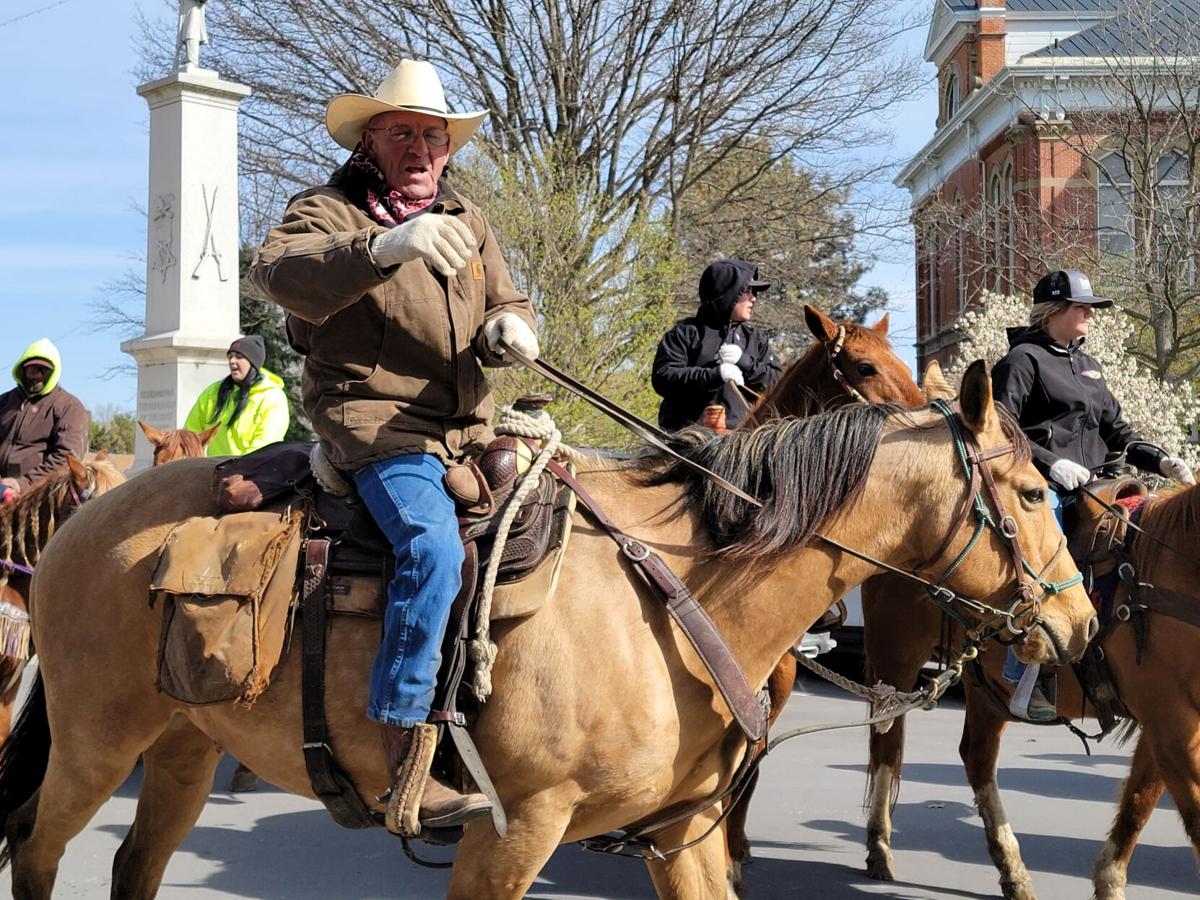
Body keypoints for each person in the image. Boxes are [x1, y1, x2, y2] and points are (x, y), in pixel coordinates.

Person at [248, 58, 537, 831]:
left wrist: (513, 326)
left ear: (449, 149)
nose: (420, 148)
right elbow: (277, 272)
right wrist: (386, 247)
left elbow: (505, 294)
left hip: (468, 430)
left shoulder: (468, 216)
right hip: (374, 423)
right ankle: (401, 749)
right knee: (433, 550)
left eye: (433, 136)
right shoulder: (329, 209)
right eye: (402, 132)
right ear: (370, 142)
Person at [992, 269, 1195, 721]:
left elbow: (1119, 432)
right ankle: (1029, 668)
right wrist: (1049, 463)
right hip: (1039, 488)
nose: (1089, 314)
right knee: (1048, 552)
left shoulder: (1089, 366)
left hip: (1099, 486)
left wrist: (1160, 460)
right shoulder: (1021, 360)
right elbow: (1000, 430)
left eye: (1091, 308)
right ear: (1053, 312)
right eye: (1082, 306)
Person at [652, 259, 781, 431]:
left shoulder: (755, 340)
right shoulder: (685, 333)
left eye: (755, 292)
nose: (754, 298)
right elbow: (663, 378)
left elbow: (778, 382)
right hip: (687, 438)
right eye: (747, 291)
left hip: (740, 441)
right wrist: (715, 374)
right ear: (728, 292)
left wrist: (745, 362)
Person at [0, 338, 89, 501]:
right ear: (22, 370)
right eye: (32, 369)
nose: (37, 375)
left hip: (42, 496)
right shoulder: (5, 402)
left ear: (53, 373)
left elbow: (66, 458)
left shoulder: (69, 407)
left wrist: (23, 483)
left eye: (44, 370)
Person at [183, 335, 290, 456]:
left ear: (253, 362)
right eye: (230, 356)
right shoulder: (212, 392)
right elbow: (190, 434)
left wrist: (238, 468)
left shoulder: (272, 397)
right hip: (214, 470)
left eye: (239, 357)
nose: (232, 361)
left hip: (255, 470)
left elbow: (266, 444)